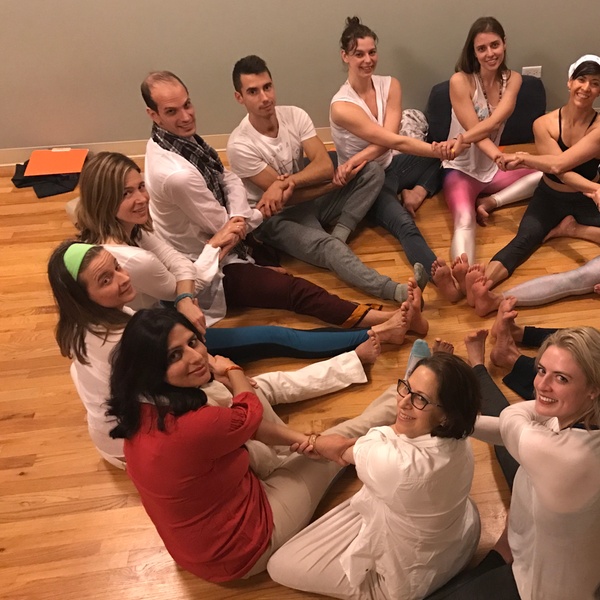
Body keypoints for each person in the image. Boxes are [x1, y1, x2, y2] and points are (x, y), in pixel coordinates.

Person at [107, 307, 402, 582]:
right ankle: (403, 395)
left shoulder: (141, 412)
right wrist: (233, 370)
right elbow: (249, 415)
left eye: (193, 342)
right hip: (247, 547)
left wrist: (308, 440)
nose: (195, 357)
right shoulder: (196, 425)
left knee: (260, 395)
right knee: (338, 435)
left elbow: (248, 422)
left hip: (198, 547)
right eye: (174, 355)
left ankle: (361, 390)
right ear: (150, 368)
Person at [47, 240, 390, 469]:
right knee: (256, 393)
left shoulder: (88, 322)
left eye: (117, 268)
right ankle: (303, 450)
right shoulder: (116, 343)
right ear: (83, 296)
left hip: (137, 421)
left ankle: (355, 359)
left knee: (258, 384)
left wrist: (221, 373)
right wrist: (226, 380)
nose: (123, 278)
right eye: (105, 280)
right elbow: (161, 401)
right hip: (142, 436)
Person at [76, 151, 428, 352]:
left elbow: (180, 266)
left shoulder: (136, 230)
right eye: (126, 194)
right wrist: (216, 245)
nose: (141, 199)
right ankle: (382, 329)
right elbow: (185, 284)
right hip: (166, 340)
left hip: (196, 287)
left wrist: (218, 249)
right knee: (276, 336)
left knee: (291, 285)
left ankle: (385, 319)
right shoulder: (129, 258)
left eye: (141, 187)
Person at [267, 353, 482, 600]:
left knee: (278, 565)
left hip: (408, 579)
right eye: (407, 388)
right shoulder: (460, 437)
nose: (403, 402)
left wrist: (316, 441)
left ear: (446, 415)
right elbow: (355, 447)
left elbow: (340, 450)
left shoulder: (398, 466)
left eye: (420, 399)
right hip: (463, 534)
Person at [227, 55, 424, 303]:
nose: (265, 97)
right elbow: (287, 199)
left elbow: (323, 166)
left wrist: (288, 181)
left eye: (267, 87)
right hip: (276, 218)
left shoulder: (294, 115)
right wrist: (327, 185)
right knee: (328, 248)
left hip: (309, 199)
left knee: (372, 170)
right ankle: (397, 291)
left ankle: (340, 233)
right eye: (253, 92)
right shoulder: (239, 145)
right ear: (239, 97)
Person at [430, 327, 600, 599]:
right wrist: (450, 421)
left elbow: (510, 418)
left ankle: (503, 550)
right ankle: (477, 366)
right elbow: (509, 428)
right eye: (541, 370)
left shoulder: (568, 456)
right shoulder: (584, 415)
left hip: (539, 587)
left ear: (593, 389)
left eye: (562, 378)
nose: (542, 384)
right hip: (539, 534)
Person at [329, 17, 458, 282]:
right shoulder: (341, 106)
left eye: (372, 52)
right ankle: (438, 275)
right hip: (365, 181)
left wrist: (358, 157)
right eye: (359, 54)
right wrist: (437, 150)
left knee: (440, 160)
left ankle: (417, 193)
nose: (368, 60)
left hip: (392, 164)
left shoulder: (390, 85)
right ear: (345, 56)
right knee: (405, 225)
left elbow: (389, 140)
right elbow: (394, 141)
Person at [431, 16, 540, 301]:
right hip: (460, 169)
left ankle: (491, 202)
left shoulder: (513, 79)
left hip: (492, 170)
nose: (490, 53)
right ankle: (463, 277)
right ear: (473, 51)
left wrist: (468, 144)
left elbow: (496, 121)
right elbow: (476, 130)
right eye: (482, 48)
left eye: (495, 45)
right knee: (465, 220)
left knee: (545, 173)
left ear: (505, 44)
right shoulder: (460, 81)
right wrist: (493, 153)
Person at [479, 55, 600, 289]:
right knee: (524, 240)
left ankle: (574, 229)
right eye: (581, 79)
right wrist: (595, 188)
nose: (586, 88)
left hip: (586, 200)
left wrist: (524, 159)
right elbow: (559, 169)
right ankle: (481, 287)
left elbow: (558, 165)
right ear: (569, 82)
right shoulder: (543, 124)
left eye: (595, 83)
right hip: (550, 197)